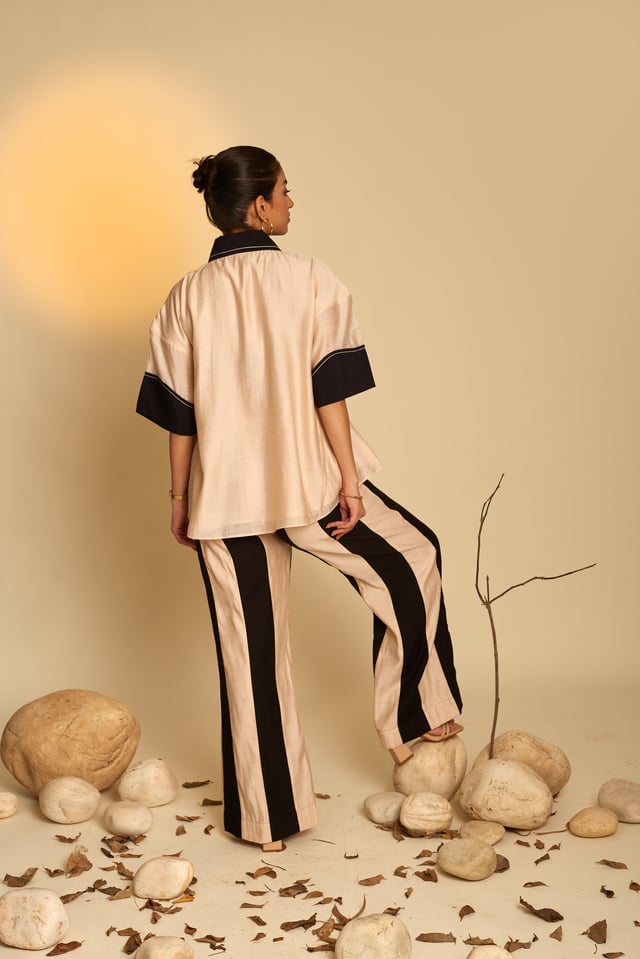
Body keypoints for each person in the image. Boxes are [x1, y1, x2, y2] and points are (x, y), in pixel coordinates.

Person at [136, 145, 462, 852]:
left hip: (223, 497)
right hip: (309, 485)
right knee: (414, 557)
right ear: (259, 206)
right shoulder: (312, 279)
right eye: (285, 191)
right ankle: (415, 715)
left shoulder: (183, 297)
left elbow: (179, 417)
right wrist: (349, 479)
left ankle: (269, 822)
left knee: (249, 653)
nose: (291, 202)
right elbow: (328, 394)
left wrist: (179, 497)